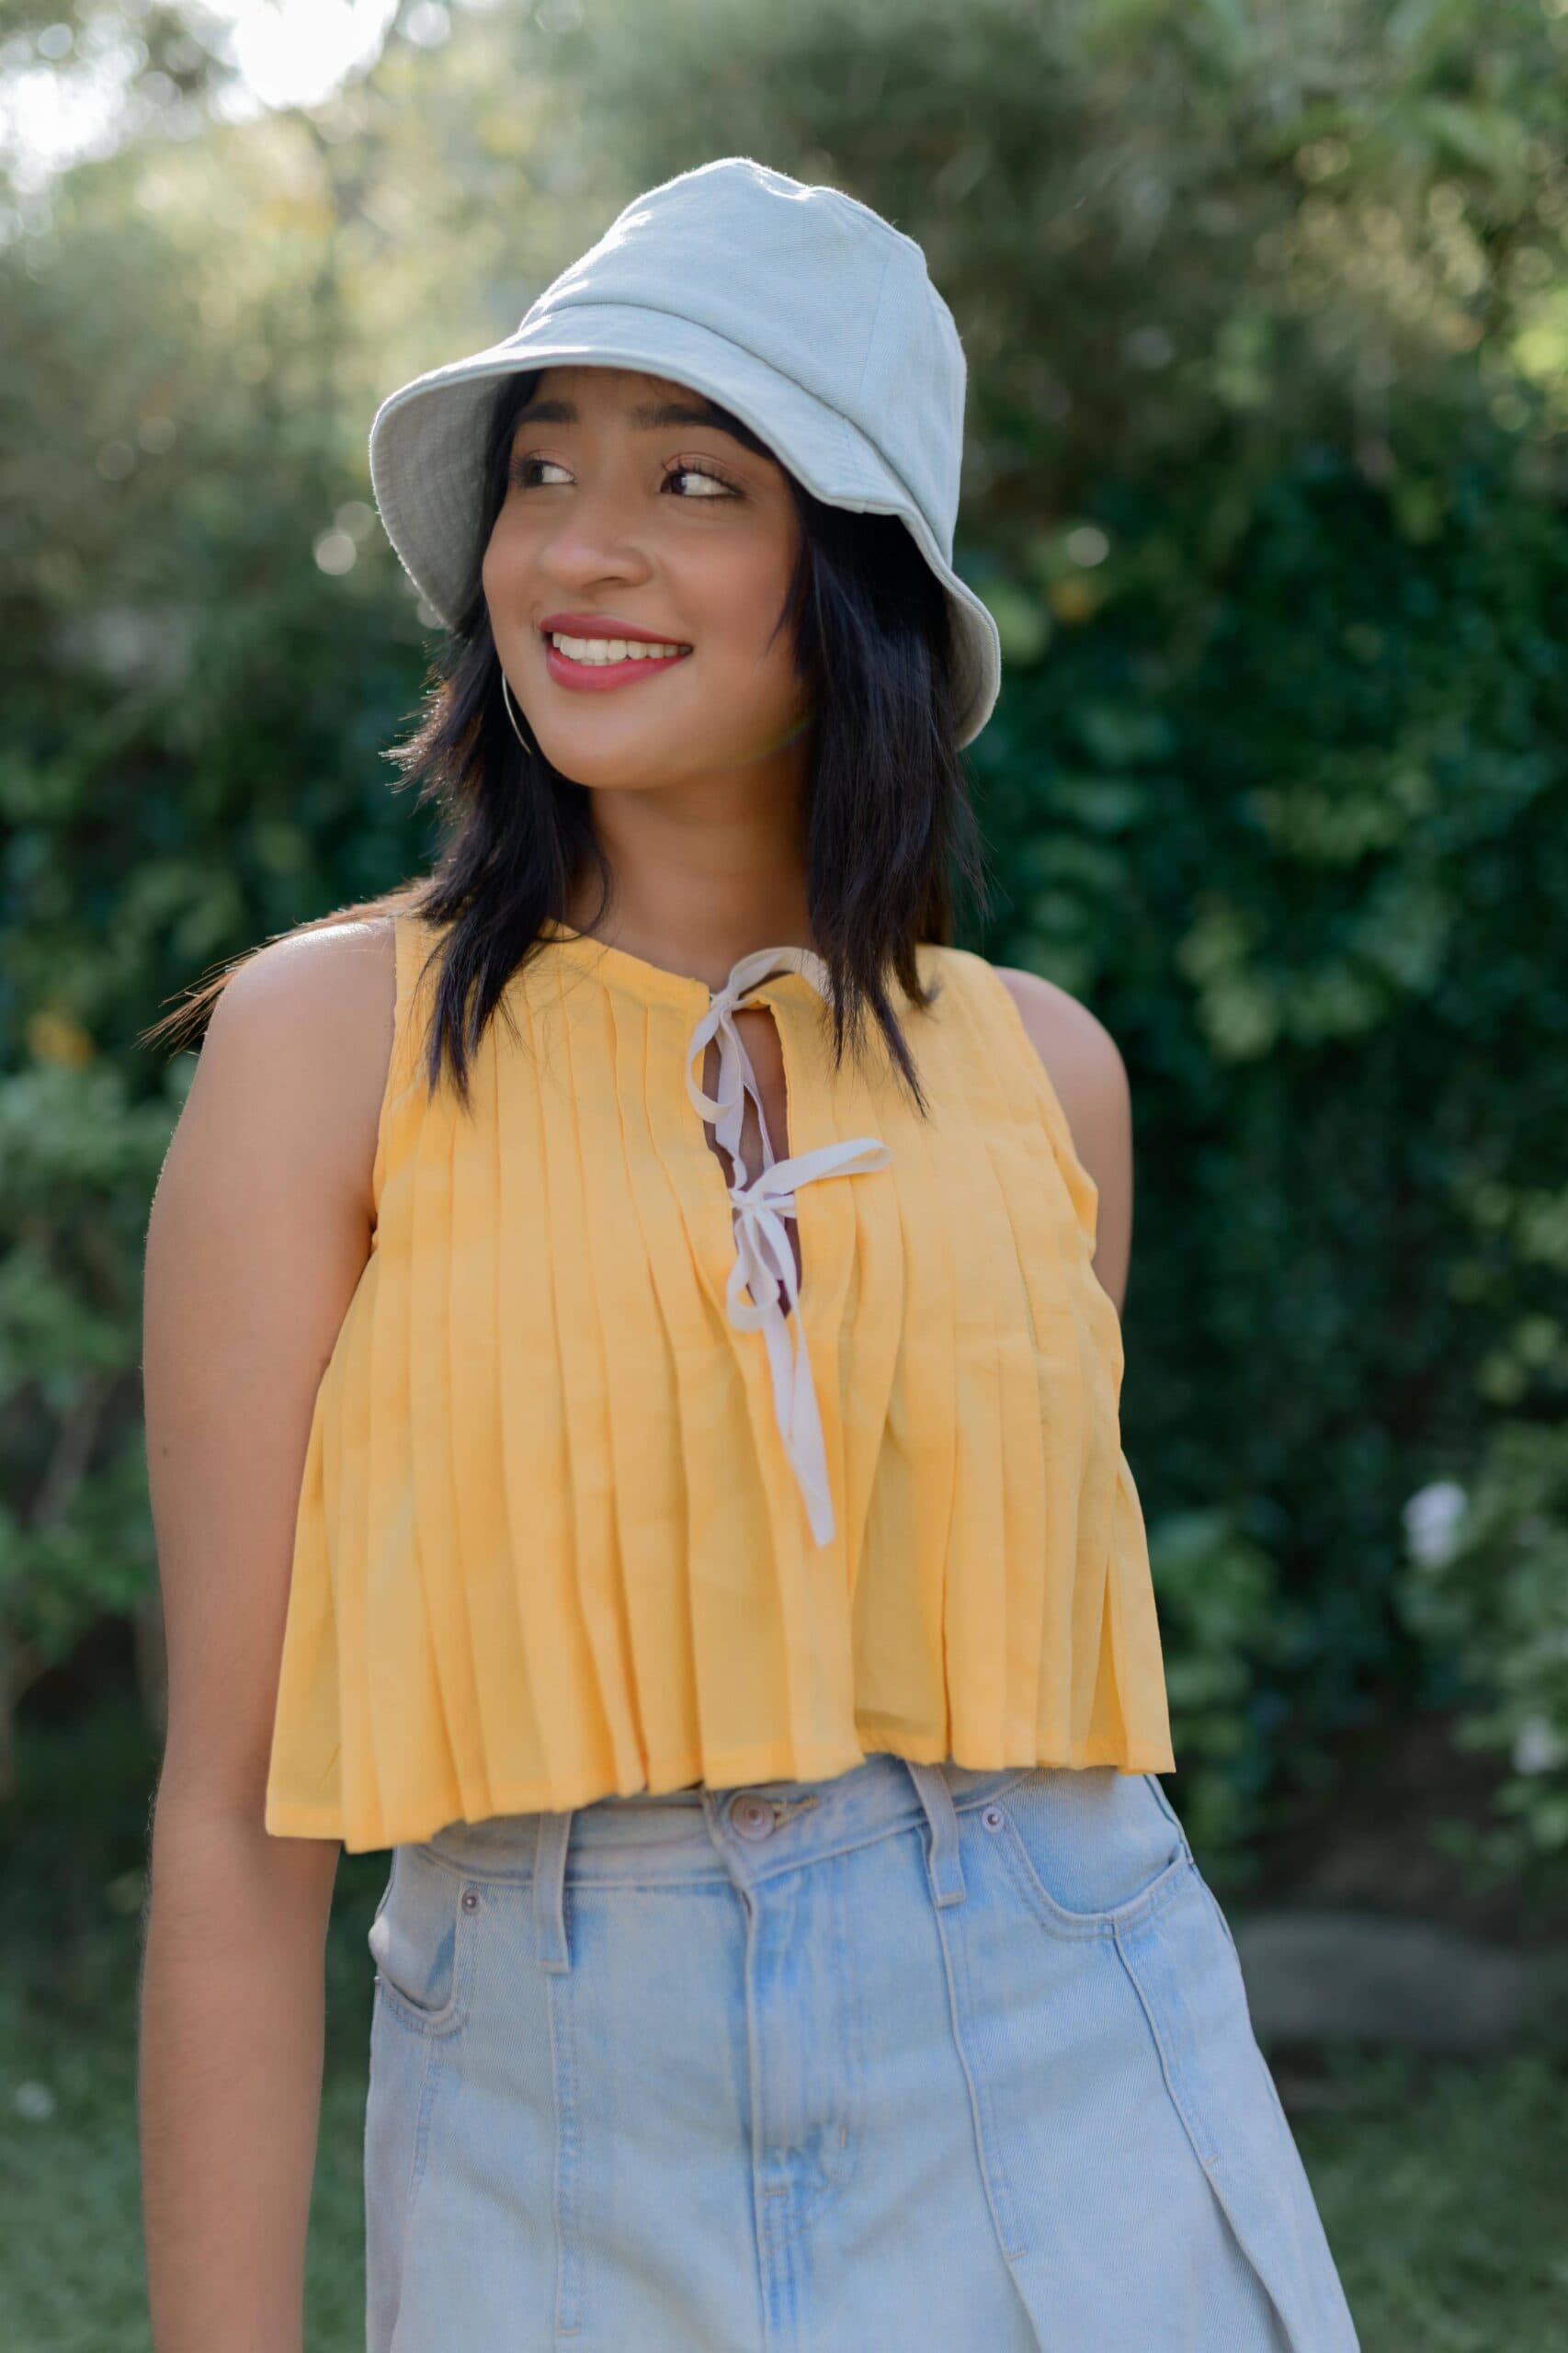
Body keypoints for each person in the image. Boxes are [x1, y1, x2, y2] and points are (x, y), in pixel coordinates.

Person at [137, 157, 1359, 2352]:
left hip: (1069, 2058)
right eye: (542, 470)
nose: (579, 548)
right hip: (550, 2116)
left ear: (857, 583)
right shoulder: (327, 1048)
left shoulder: (1044, 1077)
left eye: (694, 476)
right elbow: (231, 1825)